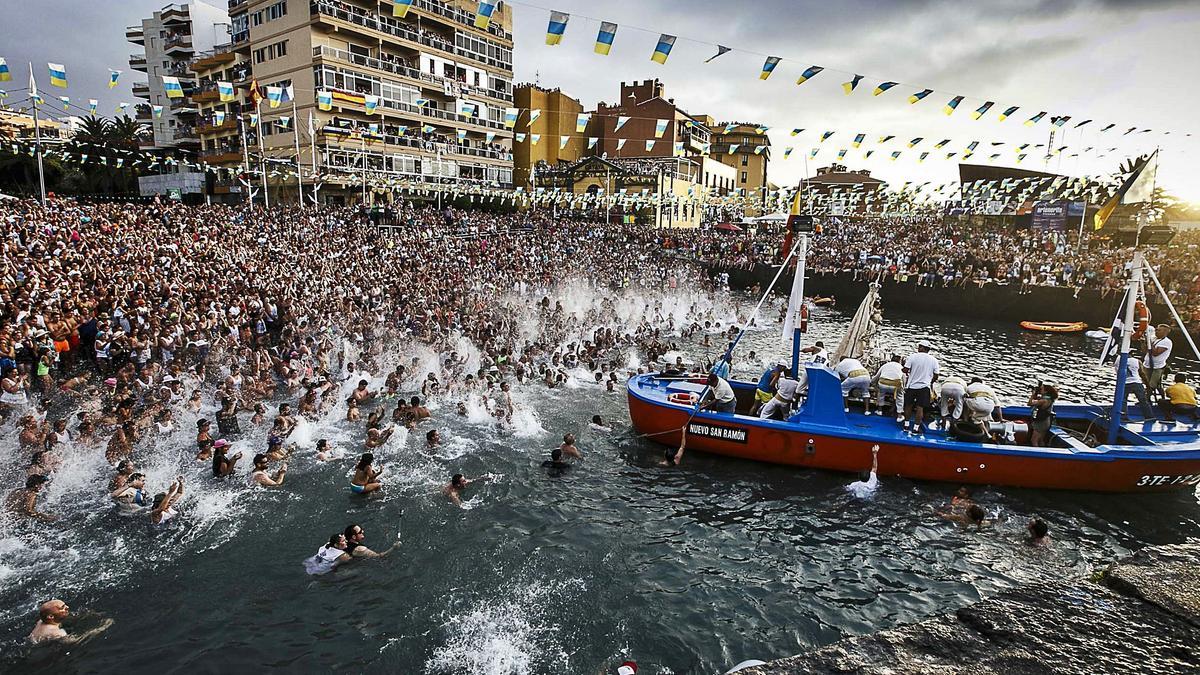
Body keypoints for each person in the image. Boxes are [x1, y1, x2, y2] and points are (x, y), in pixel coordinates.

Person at [27, 599, 113, 644]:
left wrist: (88, 615)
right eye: (62, 608)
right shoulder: (57, 633)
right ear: (50, 617)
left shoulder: (41, 621)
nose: (67, 607)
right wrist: (103, 627)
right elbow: (76, 641)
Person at [902, 340, 939, 434]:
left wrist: (905, 369)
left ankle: (906, 426)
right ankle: (915, 428)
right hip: (924, 387)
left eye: (919, 346)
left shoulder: (912, 357)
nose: (918, 348)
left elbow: (905, 370)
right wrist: (930, 381)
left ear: (923, 348)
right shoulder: (934, 360)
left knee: (908, 406)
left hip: (911, 386)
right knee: (920, 408)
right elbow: (936, 375)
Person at [1140, 324, 1173, 399]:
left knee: (1151, 385)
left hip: (1157, 367)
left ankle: (1145, 400)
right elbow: (1145, 350)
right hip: (1147, 365)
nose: (1156, 331)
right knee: (1150, 384)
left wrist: (1149, 343)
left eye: (1158, 330)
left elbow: (1155, 353)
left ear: (1165, 332)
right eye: (1156, 329)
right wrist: (1144, 342)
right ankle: (1161, 397)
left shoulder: (1167, 342)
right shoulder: (1154, 338)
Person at [1118, 356, 1154, 421]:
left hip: (1124, 383)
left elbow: (1117, 372)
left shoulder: (1118, 360)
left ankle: (1123, 417)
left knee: (1123, 400)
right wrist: (1148, 385)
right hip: (1136, 382)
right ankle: (1149, 416)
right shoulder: (1137, 361)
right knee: (1143, 400)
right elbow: (1142, 374)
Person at [1027, 382, 1058, 447]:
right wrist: (1036, 394)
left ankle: (1036, 454)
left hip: (1041, 423)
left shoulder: (1043, 400)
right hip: (1046, 421)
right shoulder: (1049, 399)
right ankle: (1043, 451)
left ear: (1046, 391)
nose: (1040, 390)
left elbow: (1029, 403)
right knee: (1041, 440)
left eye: (1042, 389)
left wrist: (1032, 395)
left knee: (1034, 440)